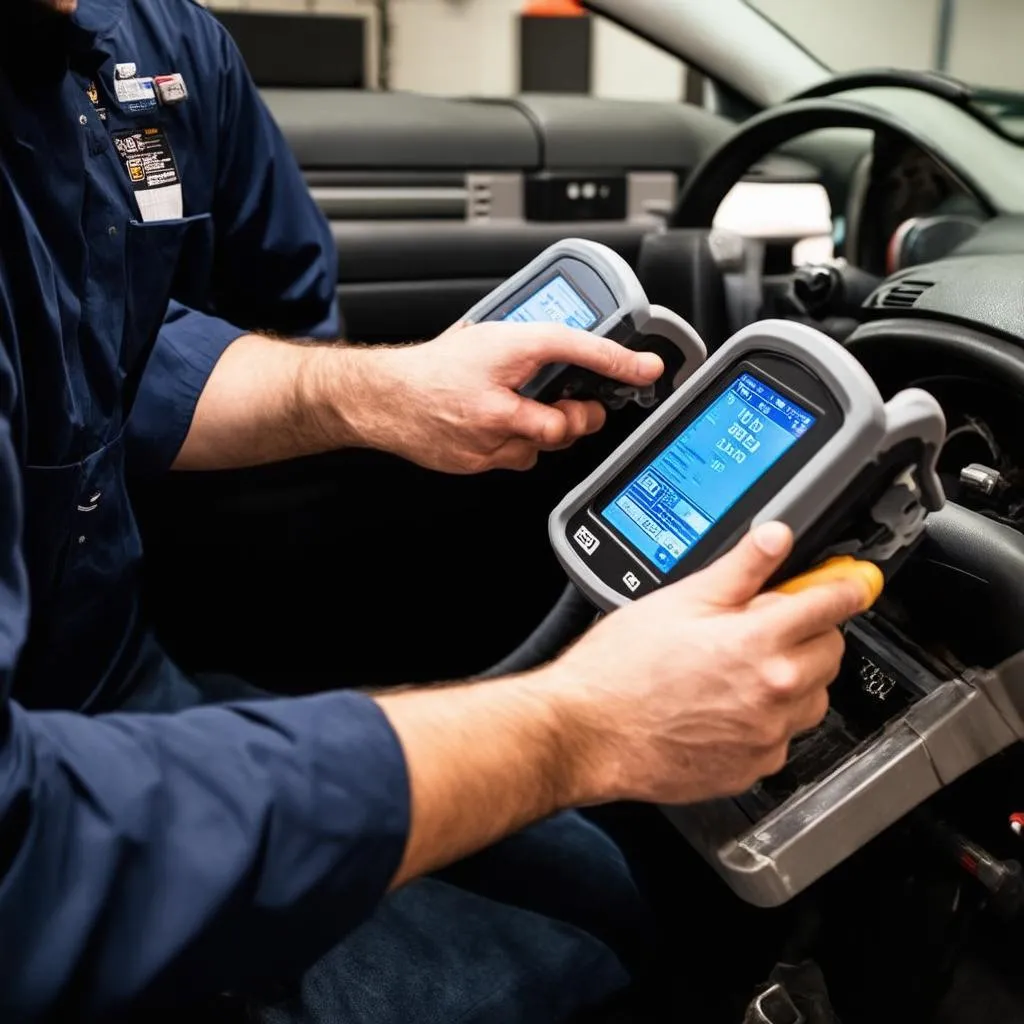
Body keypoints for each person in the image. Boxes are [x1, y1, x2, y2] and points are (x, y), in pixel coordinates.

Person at [0, 0, 870, 1020]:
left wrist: (380, 392)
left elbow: (114, 356)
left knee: (598, 889)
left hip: (109, 674)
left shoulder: (120, 41)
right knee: (565, 973)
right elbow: (30, 856)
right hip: (54, 828)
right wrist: (577, 726)